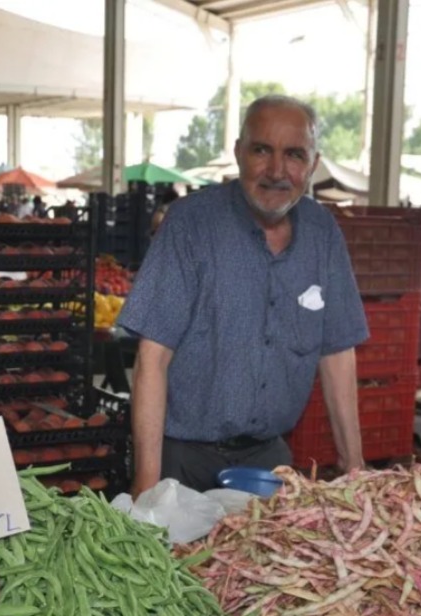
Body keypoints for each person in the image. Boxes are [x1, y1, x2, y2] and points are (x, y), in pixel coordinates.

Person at [117, 95, 369, 497]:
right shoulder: (191, 224)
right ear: (238, 153)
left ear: (313, 164)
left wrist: (355, 469)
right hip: (181, 458)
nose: (276, 171)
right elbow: (152, 357)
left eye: (294, 155)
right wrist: (146, 486)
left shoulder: (323, 233)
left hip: (267, 460)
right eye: (261, 150)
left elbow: (337, 352)